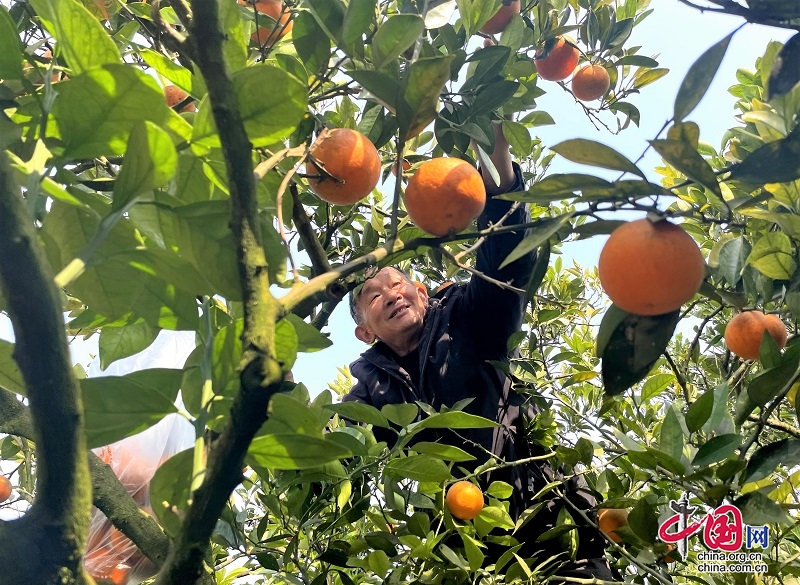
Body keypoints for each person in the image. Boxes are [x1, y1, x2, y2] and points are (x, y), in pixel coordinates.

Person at [342, 125, 617, 580]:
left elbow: (505, 258)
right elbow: (337, 448)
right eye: (373, 296)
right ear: (364, 333)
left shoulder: (468, 318)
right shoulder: (370, 393)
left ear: (424, 294)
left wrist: (500, 180)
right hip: (470, 549)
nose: (391, 294)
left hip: (549, 519)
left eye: (398, 284)